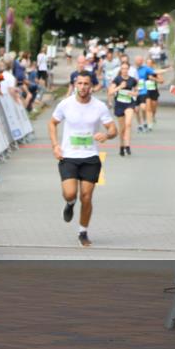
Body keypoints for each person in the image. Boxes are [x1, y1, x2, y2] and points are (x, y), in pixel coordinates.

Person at [48, 72, 117, 247]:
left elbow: (113, 129)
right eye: (79, 83)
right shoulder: (65, 104)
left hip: (90, 157)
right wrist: (55, 145)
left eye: (86, 83)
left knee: (86, 197)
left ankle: (83, 232)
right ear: (75, 85)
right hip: (69, 156)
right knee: (70, 193)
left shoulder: (99, 106)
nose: (83, 87)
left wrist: (107, 135)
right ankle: (70, 203)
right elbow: (52, 123)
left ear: (91, 86)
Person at [108, 61, 138, 156]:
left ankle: (127, 145)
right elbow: (110, 92)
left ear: (129, 69)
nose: (124, 70)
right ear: (120, 69)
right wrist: (120, 87)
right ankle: (121, 146)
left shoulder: (133, 80)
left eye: (126, 68)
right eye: (123, 68)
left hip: (129, 103)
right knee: (122, 129)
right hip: (119, 104)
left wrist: (133, 93)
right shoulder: (117, 79)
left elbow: (137, 92)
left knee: (128, 124)